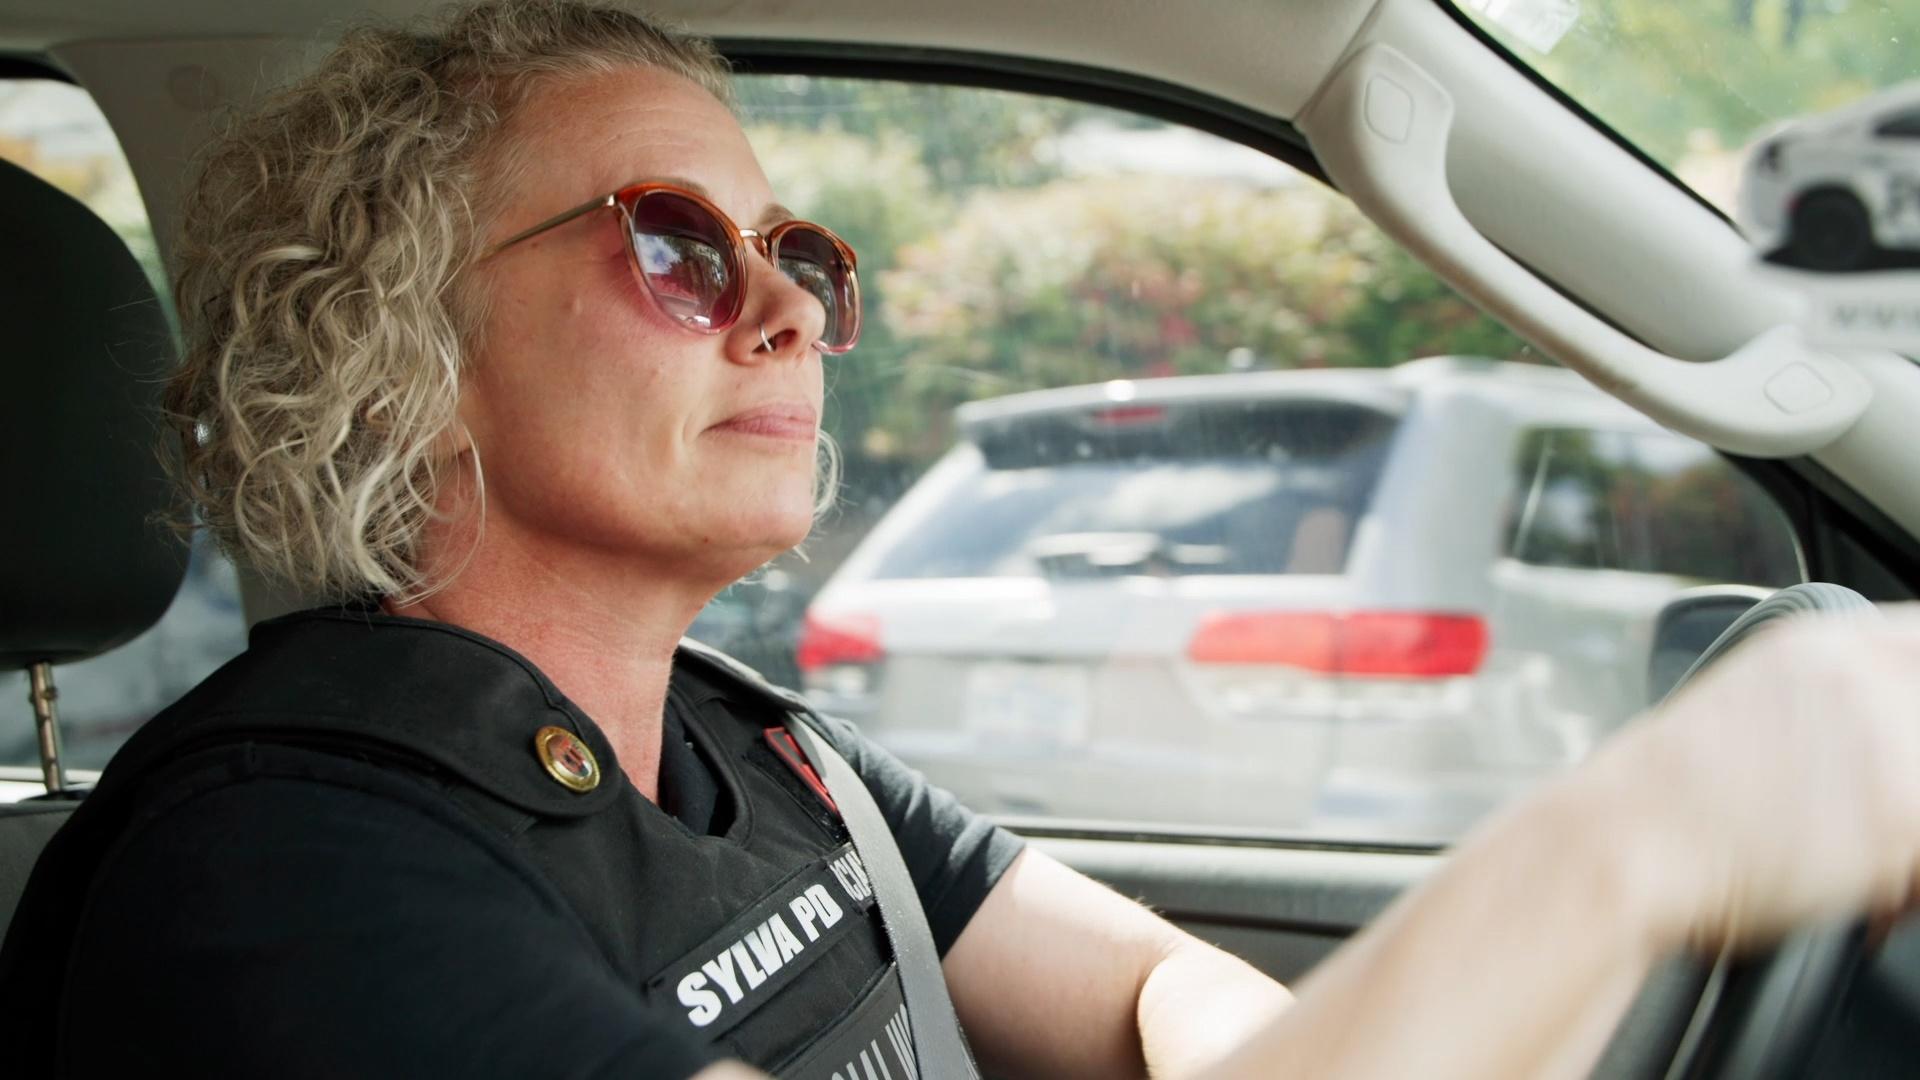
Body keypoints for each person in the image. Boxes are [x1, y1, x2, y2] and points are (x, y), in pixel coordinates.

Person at [3, 2, 1918, 1077]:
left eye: (806, 256)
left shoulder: (763, 755)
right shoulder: (278, 889)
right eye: (676, 242)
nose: (791, 314)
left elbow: (1181, 1017)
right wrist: (1640, 846)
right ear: (398, 351)